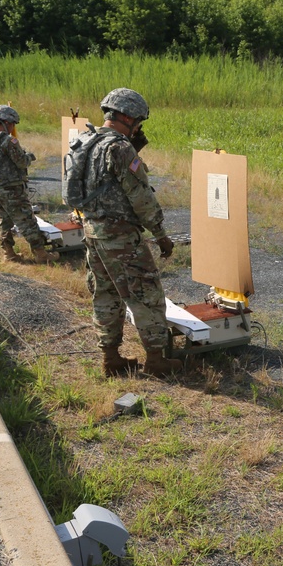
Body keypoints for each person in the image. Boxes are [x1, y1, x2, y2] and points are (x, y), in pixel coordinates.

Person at [80, 88, 182, 378]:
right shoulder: (120, 148)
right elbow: (141, 197)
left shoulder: (85, 141)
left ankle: (110, 359)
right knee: (146, 295)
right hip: (121, 237)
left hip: (92, 233)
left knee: (106, 295)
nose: (138, 127)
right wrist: (161, 234)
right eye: (137, 121)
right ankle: (156, 361)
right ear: (126, 116)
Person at [0, 105, 59, 264]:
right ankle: (41, 255)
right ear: (7, 122)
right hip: (12, 188)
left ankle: (8, 253)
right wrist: (30, 156)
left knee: (5, 220)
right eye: (13, 123)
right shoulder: (8, 141)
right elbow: (22, 162)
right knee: (27, 220)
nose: (13, 127)